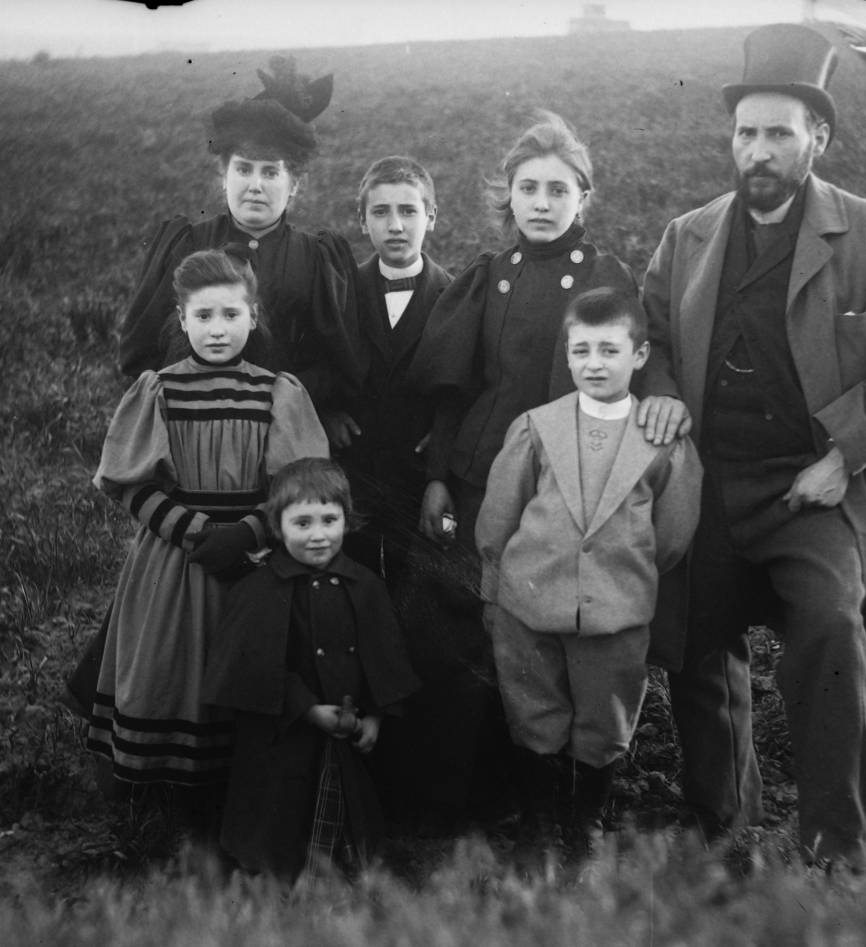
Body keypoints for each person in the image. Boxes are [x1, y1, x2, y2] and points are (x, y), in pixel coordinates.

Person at [641, 24, 866, 870]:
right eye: (747, 132)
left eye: (780, 132)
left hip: (814, 486)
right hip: (710, 484)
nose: (760, 151)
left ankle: (835, 847)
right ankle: (721, 828)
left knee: (827, 634)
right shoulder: (687, 235)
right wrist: (663, 393)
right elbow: (651, 336)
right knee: (696, 648)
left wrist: (841, 455)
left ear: (819, 137)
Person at [406, 111, 653, 817]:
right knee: (491, 627)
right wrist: (437, 476)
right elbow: (456, 389)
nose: (541, 203)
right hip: (489, 475)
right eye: (527, 188)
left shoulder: (606, 274)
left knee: (569, 632)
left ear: (583, 197)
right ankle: (489, 791)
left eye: (557, 189)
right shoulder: (490, 276)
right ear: (506, 196)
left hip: (575, 482)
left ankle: (573, 799)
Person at [87, 249, 331, 803]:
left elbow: (298, 488)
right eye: (203, 317)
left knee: (250, 663)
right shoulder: (160, 390)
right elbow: (131, 484)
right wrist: (198, 534)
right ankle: (166, 791)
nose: (217, 330)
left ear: (253, 316)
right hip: (176, 559)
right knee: (171, 662)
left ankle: (239, 795)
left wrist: (247, 533)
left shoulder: (276, 392)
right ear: (181, 320)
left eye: (230, 316)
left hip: (256, 558)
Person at [475, 288, 702, 861]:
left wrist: (622, 580)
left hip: (616, 612)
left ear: (640, 356)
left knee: (604, 722)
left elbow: (671, 537)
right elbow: (499, 519)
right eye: (582, 351)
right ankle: (539, 824)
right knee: (533, 712)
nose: (594, 364)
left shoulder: (663, 441)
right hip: (530, 605)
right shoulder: (537, 427)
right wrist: (495, 592)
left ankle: (586, 824)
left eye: (609, 350)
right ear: (568, 355)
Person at [202, 458, 419, 883]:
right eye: (302, 523)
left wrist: (375, 715)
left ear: (347, 520)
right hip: (283, 735)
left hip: (348, 729)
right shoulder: (260, 589)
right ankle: (274, 874)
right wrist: (306, 708)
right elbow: (251, 668)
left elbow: (385, 660)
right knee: (280, 816)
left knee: (345, 805)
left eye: (329, 520)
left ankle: (341, 869)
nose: (318, 535)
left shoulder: (365, 584)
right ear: (278, 527)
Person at [117, 56, 361, 420]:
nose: (255, 186)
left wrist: (291, 401)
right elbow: (140, 357)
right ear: (223, 176)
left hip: (285, 425)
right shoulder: (185, 244)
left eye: (271, 173)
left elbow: (338, 366)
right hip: (189, 424)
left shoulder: (316, 258)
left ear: (294, 185)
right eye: (243, 169)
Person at [336, 155, 452, 589]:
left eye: (409, 211)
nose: (396, 226)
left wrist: (443, 441)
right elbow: (321, 362)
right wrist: (330, 412)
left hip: (417, 470)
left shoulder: (454, 296)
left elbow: (462, 386)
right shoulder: (342, 291)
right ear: (363, 221)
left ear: (431, 217)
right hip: (355, 463)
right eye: (381, 212)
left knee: (416, 581)